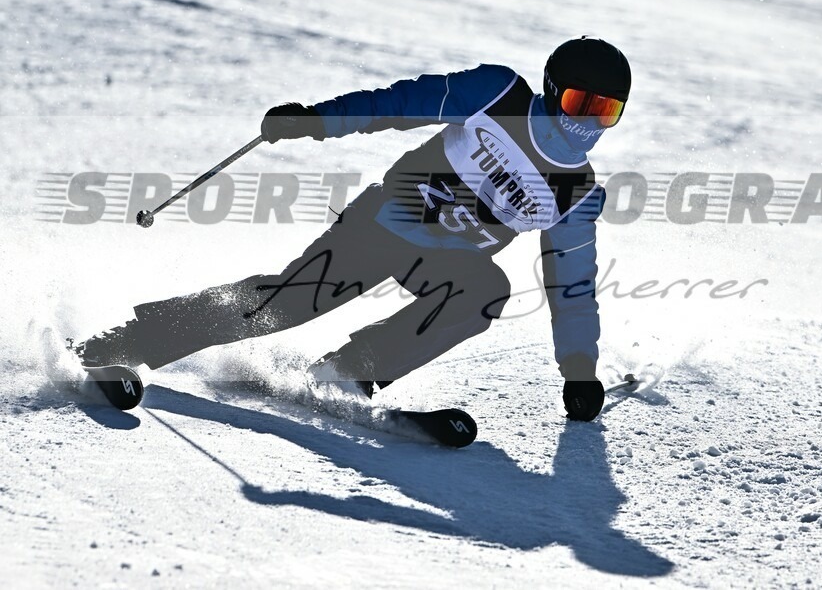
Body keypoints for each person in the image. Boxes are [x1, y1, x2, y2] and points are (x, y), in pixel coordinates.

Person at [76, 36, 631, 422]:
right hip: (384, 223)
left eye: (605, 112)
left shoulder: (577, 194)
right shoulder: (496, 95)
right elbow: (397, 103)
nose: (586, 122)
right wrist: (315, 120)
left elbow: (573, 284)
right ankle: (119, 346)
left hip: (449, 262)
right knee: (284, 304)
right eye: (580, 102)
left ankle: (347, 374)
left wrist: (579, 370)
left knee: (485, 293)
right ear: (551, 88)